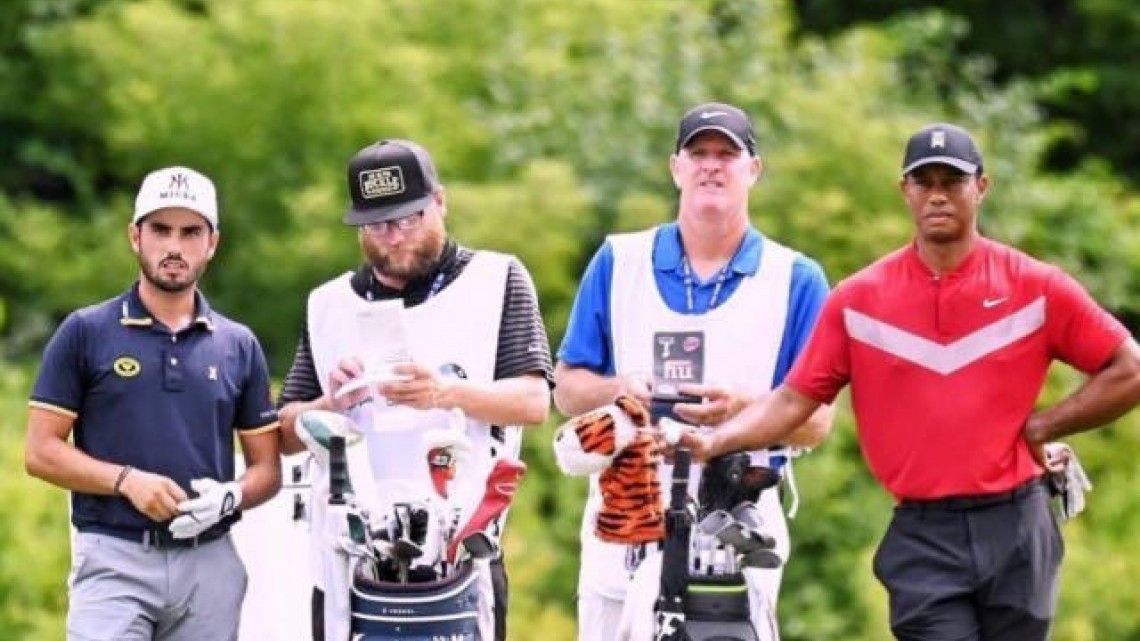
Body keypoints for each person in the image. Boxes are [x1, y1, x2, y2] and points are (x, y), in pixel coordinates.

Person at [681, 123, 1140, 641]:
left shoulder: (1035, 285)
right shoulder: (859, 299)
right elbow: (794, 399)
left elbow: (1129, 369)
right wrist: (716, 442)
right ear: (906, 191)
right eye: (925, 182)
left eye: (953, 181)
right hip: (924, 534)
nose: (939, 195)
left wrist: (1043, 426)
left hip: (1018, 522)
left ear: (980, 188)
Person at [553, 102, 834, 641]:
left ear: (754, 170)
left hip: (738, 516)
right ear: (675, 167)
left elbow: (817, 423)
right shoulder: (618, 260)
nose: (711, 166)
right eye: (697, 153)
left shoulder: (796, 278)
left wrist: (742, 409)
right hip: (625, 515)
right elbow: (567, 388)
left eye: (727, 154)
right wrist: (620, 389)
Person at [276, 138, 554, 641]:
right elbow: (287, 431)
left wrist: (445, 393)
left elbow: (534, 402)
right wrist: (331, 404)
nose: (395, 237)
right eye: (379, 224)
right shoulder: (328, 304)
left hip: (461, 551)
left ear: (440, 202)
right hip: (346, 559)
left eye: (410, 218)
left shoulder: (497, 279)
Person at [24, 166, 282, 641]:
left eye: (190, 232)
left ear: (212, 244)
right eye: (160, 229)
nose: (174, 246)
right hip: (114, 559)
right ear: (135, 236)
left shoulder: (238, 344)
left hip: (210, 565)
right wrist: (125, 481)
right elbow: (40, 452)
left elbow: (267, 469)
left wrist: (232, 495)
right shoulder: (85, 332)